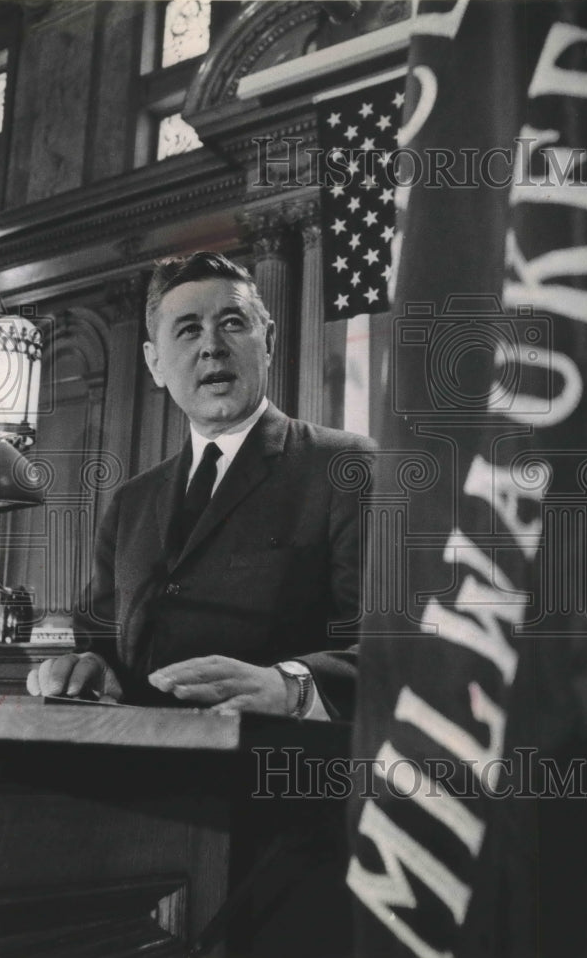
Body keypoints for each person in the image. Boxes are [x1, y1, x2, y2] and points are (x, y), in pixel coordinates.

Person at [27, 251, 374, 721]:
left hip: (275, 776)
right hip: (133, 774)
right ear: (155, 363)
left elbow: (398, 643)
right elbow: (101, 645)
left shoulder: (346, 466)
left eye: (232, 323)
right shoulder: (132, 502)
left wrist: (291, 687)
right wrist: (91, 669)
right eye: (188, 329)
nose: (212, 346)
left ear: (267, 341)